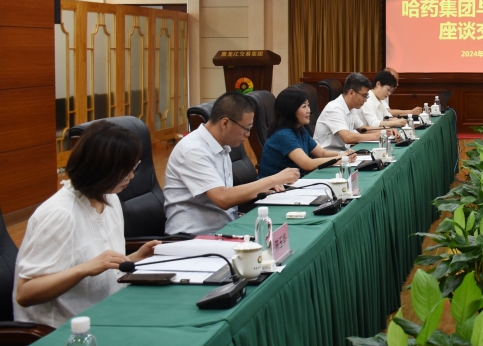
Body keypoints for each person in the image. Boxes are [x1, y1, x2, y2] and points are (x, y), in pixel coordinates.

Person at [13, 120, 161, 327]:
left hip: (108, 313)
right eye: (123, 170)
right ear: (98, 168)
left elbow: (101, 267)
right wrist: (84, 269)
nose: (131, 176)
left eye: (133, 167)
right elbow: (25, 293)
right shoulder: (60, 214)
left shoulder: (110, 198)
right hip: (63, 331)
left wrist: (135, 257)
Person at [164, 92, 300, 236]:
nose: (248, 134)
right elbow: (223, 198)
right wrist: (274, 179)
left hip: (223, 228)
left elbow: (228, 194)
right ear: (225, 123)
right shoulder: (193, 150)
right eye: (246, 128)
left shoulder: (221, 146)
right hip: (192, 237)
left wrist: (263, 187)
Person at [258, 86, 354, 178]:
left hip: (294, 182)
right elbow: (307, 164)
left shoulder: (300, 130)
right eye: (304, 106)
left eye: (308, 106)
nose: (309, 111)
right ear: (290, 110)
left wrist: (342, 154)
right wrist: (342, 159)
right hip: (276, 187)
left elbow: (322, 153)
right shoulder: (283, 135)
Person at [315, 72, 395, 151]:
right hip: (327, 156)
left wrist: (386, 131)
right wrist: (376, 136)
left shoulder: (351, 108)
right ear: (351, 93)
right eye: (364, 96)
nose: (365, 100)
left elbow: (364, 129)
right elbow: (347, 137)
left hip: (343, 153)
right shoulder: (334, 108)